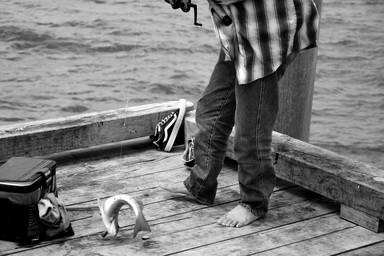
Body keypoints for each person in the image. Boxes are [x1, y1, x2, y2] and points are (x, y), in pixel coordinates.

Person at [161, 0, 319, 227]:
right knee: (210, 111)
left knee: (250, 128)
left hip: (268, 34)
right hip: (243, 30)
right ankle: (201, 185)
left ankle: (254, 202)